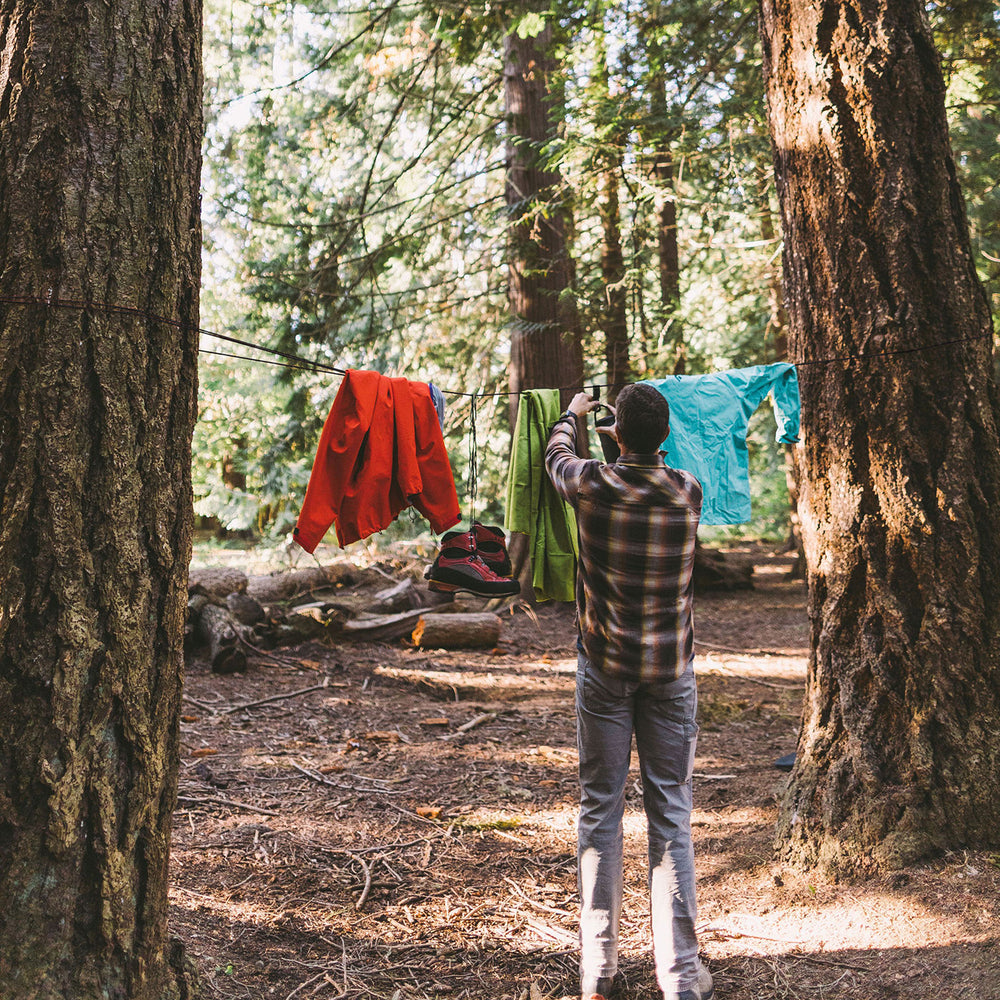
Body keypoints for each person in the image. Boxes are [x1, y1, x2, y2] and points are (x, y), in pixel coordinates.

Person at [545, 385, 714, 1000]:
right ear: (663, 438)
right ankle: (680, 981)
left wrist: (573, 412)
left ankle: (599, 973)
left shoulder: (592, 484)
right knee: (671, 818)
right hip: (671, 672)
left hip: (605, 671)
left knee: (600, 812)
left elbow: (556, 456)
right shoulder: (688, 492)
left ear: (617, 434)